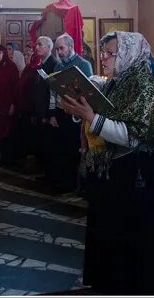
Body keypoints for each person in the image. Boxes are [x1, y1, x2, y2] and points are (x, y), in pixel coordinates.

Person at [62, 31, 154, 294]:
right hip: (112, 174)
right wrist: (80, 111)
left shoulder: (143, 84)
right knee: (107, 238)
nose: (104, 58)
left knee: (127, 244)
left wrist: (90, 116)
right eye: (104, 53)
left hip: (133, 178)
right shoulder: (116, 81)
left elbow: (133, 136)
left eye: (111, 53)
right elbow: (101, 114)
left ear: (129, 53)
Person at [48, 33, 93, 192]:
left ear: (71, 47)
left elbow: (89, 92)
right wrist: (52, 113)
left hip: (76, 114)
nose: (59, 52)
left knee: (75, 149)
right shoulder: (58, 66)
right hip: (61, 112)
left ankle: (75, 185)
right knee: (62, 149)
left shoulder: (83, 64)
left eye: (61, 48)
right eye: (57, 49)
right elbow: (53, 91)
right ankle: (63, 182)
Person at [32, 36, 57, 180]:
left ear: (48, 47)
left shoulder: (53, 64)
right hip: (41, 110)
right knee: (43, 144)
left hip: (48, 111)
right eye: (37, 44)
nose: (37, 47)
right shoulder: (42, 63)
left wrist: (49, 114)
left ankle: (50, 175)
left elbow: (52, 91)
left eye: (40, 44)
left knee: (49, 145)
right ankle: (46, 173)